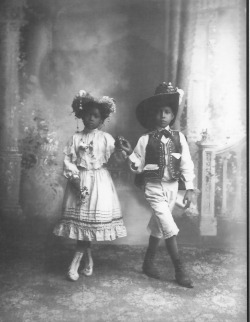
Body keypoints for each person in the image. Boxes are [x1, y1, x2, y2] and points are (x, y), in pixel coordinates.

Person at [118, 82, 195, 288]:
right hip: (153, 187)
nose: (163, 115)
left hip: (171, 188)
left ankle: (147, 263)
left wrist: (189, 188)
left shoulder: (179, 138)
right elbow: (137, 166)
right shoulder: (145, 139)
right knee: (168, 226)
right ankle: (180, 269)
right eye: (159, 112)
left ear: (172, 115)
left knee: (158, 227)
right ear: (154, 115)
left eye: (167, 111)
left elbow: (186, 163)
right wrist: (129, 154)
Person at [53, 90, 127, 281]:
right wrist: (75, 177)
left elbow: (117, 160)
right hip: (80, 180)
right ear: (81, 115)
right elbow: (68, 160)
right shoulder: (75, 138)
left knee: (88, 226)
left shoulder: (105, 138)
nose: (91, 118)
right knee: (82, 226)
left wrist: (122, 150)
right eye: (88, 114)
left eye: (96, 116)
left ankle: (75, 263)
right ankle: (88, 261)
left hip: (99, 183)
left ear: (102, 119)